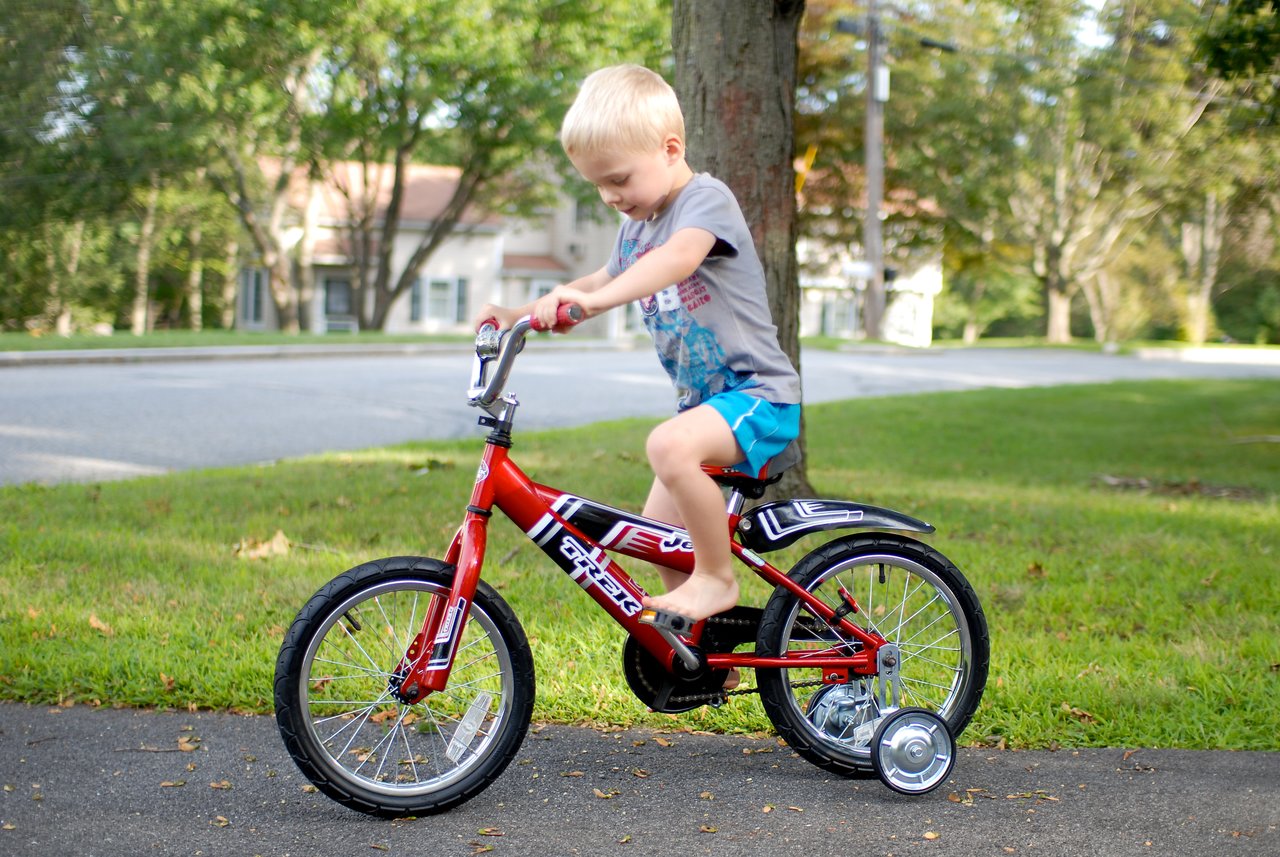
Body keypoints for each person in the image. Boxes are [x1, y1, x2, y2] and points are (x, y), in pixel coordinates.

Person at [475, 64, 801, 630]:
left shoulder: (706, 201)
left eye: (619, 179)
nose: (609, 196)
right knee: (656, 537)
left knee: (667, 447)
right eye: (597, 185)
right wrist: (519, 313)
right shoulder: (636, 227)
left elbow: (675, 261)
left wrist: (597, 308)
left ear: (670, 149)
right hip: (707, 410)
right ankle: (704, 652)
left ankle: (717, 581)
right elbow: (597, 281)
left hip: (758, 397)